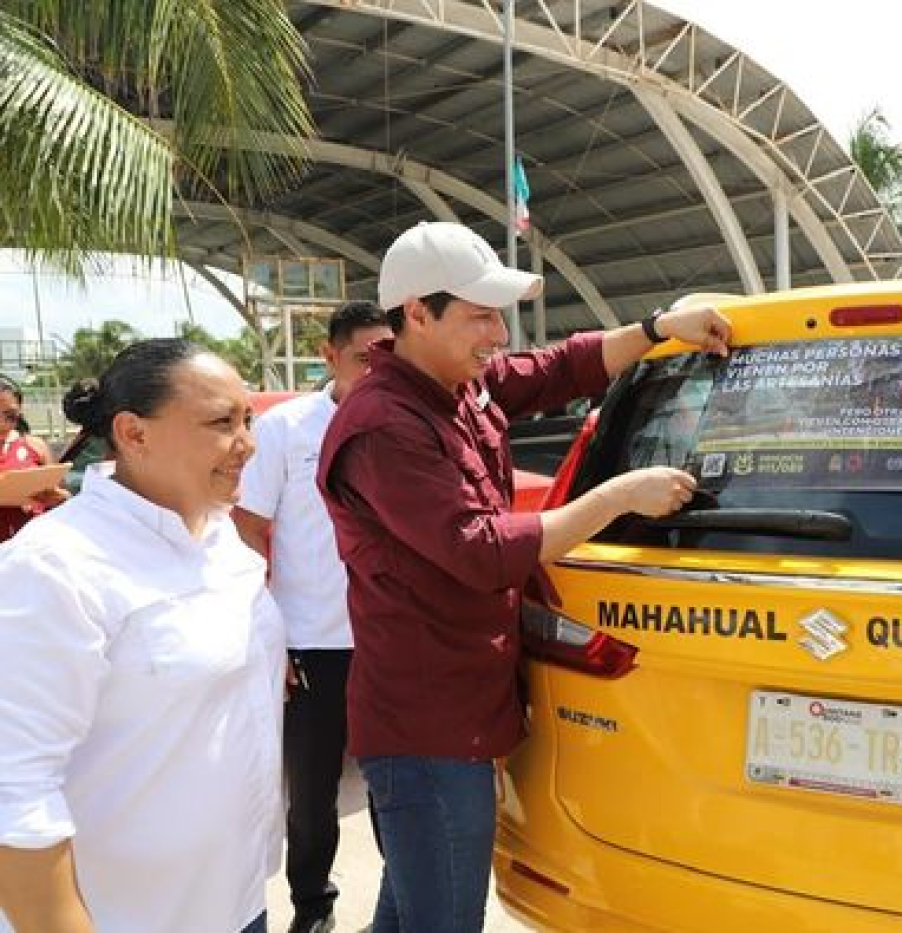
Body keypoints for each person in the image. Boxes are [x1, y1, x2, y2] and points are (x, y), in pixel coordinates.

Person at [316, 220, 731, 933]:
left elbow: (560, 370)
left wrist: (659, 327)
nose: (497, 334)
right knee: (442, 918)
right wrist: (615, 498)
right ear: (417, 312)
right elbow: (478, 548)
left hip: (461, 709)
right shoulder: (387, 422)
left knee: (412, 907)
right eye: (479, 315)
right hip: (428, 728)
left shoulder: (455, 383)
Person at [0, 339, 285, 933]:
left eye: (248, 419)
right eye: (221, 423)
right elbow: (15, 794)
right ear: (133, 434)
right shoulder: (55, 567)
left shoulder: (219, 536)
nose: (248, 444)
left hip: (234, 901)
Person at [233, 301, 393, 933]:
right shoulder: (288, 429)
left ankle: (400, 896)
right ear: (328, 356)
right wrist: (269, 640)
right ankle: (312, 906)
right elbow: (249, 529)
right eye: (362, 358)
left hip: (390, 643)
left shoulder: (401, 422)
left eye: (388, 357)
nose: (376, 372)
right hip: (311, 645)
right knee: (312, 794)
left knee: (394, 786)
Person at [0, 377, 63, 541]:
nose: (2, 424)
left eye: (10, 416)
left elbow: (61, 497)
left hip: (33, 546)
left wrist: (58, 498)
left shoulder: (35, 446)